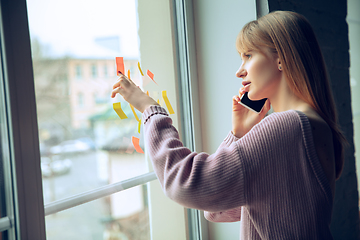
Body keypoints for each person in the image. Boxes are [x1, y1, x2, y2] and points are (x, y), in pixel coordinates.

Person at [111, 10, 346, 240]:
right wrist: (239, 133)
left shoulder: (287, 126)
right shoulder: (315, 124)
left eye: (248, 55)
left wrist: (150, 109)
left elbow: (184, 183)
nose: (239, 71)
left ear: (281, 59)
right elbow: (217, 210)